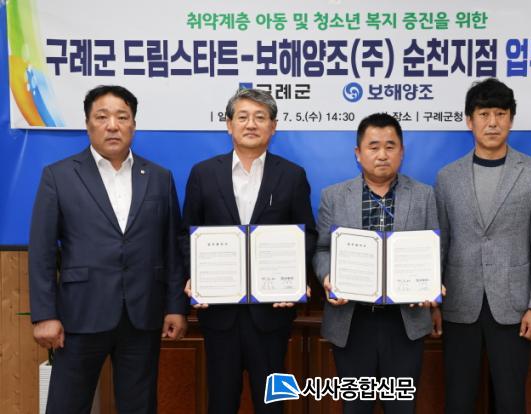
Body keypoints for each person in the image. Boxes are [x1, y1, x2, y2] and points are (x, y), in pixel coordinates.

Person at [29, 85, 188, 413]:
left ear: (134, 124)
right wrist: (45, 315)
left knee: (139, 406)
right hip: (80, 315)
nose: (112, 125)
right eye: (102, 117)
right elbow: (42, 251)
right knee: (66, 405)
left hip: (141, 315)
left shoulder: (159, 177)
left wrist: (175, 306)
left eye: (122, 117)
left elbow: (171, 248)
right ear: (88, 124)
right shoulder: (58, 176)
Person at [181, 88, 317, 414]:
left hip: (271, 313)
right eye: (242, 117)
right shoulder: (203, 174)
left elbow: (308, 234)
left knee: (272, 403)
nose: (251, 124)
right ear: (229, 125)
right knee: (221, 402)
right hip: (219, 311)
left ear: (273, 126)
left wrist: (295, 279)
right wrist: (193, 276)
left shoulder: (292, 175)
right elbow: (186, 235)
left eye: (260, 117)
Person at [434, 78, 531, 413]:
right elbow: (440, 243)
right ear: (469, 121)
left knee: (511, 399)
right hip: (460, 304)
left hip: (515, 307)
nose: (492, 122)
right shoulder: (447, 177)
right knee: (458, 399)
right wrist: (433, 303)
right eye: (483, 114)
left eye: (500, 114)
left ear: (511, 120)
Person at [313, 113, 440, 414]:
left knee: (402, 408)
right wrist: (327, 277)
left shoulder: (424, 195)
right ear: (358, 153)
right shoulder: (334, 196)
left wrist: (433, 292)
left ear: (402, 152)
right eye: (373, 146)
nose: (382, 154)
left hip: (405, 321)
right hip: (352, 320)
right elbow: (321, 249)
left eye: (390, 146)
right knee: (355, 408)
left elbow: (436, 250)